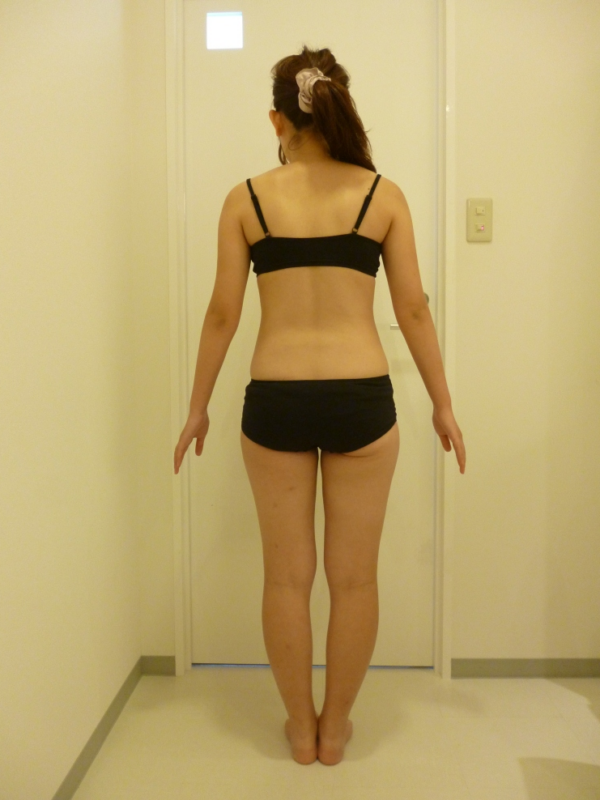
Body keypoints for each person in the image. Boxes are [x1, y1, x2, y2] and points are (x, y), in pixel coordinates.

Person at [174, 45, 466, 767]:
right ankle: (335, 731)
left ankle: (299, 729)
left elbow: (221, 314)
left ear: (278, 118)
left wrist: (197, 408)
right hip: (360, 398)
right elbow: (415, 309)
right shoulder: (381, 195)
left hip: (274, 401)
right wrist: (443, 405)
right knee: (354, 579)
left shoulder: (245, 200)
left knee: (285, 579)